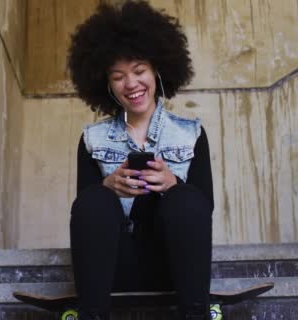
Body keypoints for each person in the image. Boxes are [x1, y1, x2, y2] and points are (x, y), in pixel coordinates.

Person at [67, 1, 214, 319]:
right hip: (114, 265)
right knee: (94, 201)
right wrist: (107, 187)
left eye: (138, 71)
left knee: (186, 199)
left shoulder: (192, 135)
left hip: (175, 264)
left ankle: (195, 314)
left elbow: (205, 209)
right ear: (107, 84)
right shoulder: (92, 140)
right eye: (118, 76)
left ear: (157, 70)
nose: (131, 84)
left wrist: (174, 185)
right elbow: (85, 218)